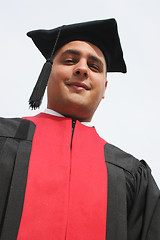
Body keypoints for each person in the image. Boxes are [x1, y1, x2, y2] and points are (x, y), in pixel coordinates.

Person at [0, 19, 159, 240]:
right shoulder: (3, 138)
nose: (82, 69)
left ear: (104, 88)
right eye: (70, 60)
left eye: (94, 67)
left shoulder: (130, 174)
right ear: (46, 75)